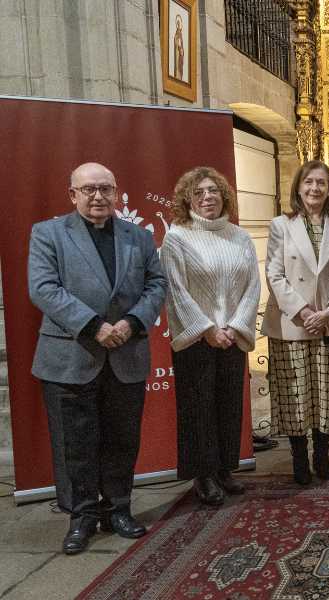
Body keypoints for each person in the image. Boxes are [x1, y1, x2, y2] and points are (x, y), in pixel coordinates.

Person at [28, 162, 167, 554]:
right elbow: (43, 288)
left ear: (117, 192)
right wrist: (93, 326)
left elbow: (157, 284)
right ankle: (82, 518)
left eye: (105, 188)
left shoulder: (138, 236)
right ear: (72, 194)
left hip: (126, 352)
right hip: (71, 356)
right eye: (88, 189)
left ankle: (119, 509)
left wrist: (133, 321)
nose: (97, 196)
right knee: (77, 443)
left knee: (122, 440)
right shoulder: (48, 234)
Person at [160, 167, 261, 506]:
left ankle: (223, 469)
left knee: (228, 406)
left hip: (231, 335)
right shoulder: (177, 237)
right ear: (188, 198)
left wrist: (234, 327)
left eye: (213, 191)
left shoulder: (239, 237)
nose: (207, 198)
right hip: (197, 339)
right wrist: (207, 330)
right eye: (200, 192)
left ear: (224, 197)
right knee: (199, 409)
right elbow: (176, 290)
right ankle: (203, 475)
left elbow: (252, 286)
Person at [261, 160, 329, 485]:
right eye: (309, 182)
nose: (315, 188)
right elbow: (274, 273)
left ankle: (322, 456)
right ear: (298, 188)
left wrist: (328, 310)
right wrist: (303, 312)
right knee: (296, 392)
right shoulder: (281, 225)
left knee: (326, 392)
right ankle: (299, 458)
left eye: (321, 183)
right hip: (293, 322)